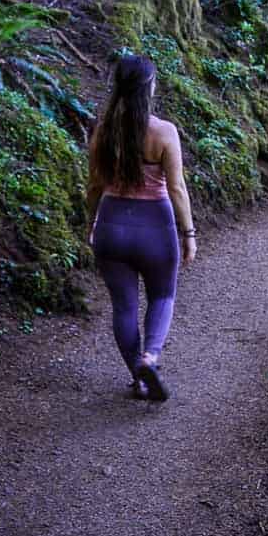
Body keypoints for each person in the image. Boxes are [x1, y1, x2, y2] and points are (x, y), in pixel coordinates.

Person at [85, 54, 197, 402]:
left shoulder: (102, 131)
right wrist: (189, 233)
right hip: (155, 226)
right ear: (149, 88)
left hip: (112, 226)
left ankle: (139, 375)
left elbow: (93, 186)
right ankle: (150, 357)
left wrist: (92, 224)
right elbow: (176, 188)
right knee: (162, 295)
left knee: (124, 307)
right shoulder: (163, 132)